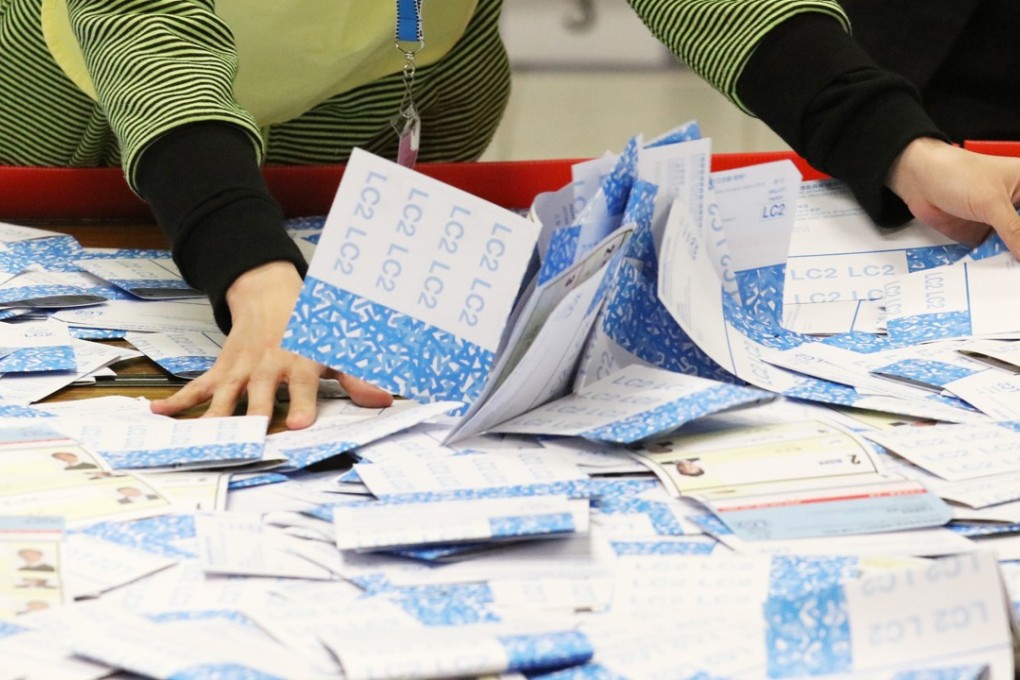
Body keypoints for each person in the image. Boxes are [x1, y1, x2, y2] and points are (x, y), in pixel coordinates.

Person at [3, 1, 1019, 430]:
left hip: (370, 138)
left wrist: (900, 146)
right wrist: (257, 277)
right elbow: (149, 38)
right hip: (97, 137)